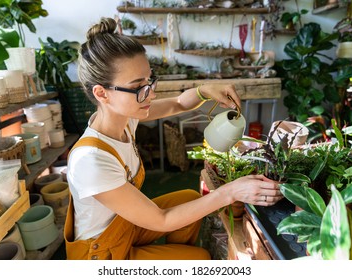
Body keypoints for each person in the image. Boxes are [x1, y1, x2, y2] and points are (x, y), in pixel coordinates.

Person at [64, 17, 283, 260]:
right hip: (101, 253)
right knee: (199, 258)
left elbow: (177, 103)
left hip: (123, 226)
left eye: (149, 80)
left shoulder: (124, 118)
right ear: (101, 93)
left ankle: (177, 255)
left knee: (189, 200)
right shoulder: (91, 160)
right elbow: (162, 219)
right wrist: (231, 192)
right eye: (139, 87)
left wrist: (205, 90)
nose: (151, 93)